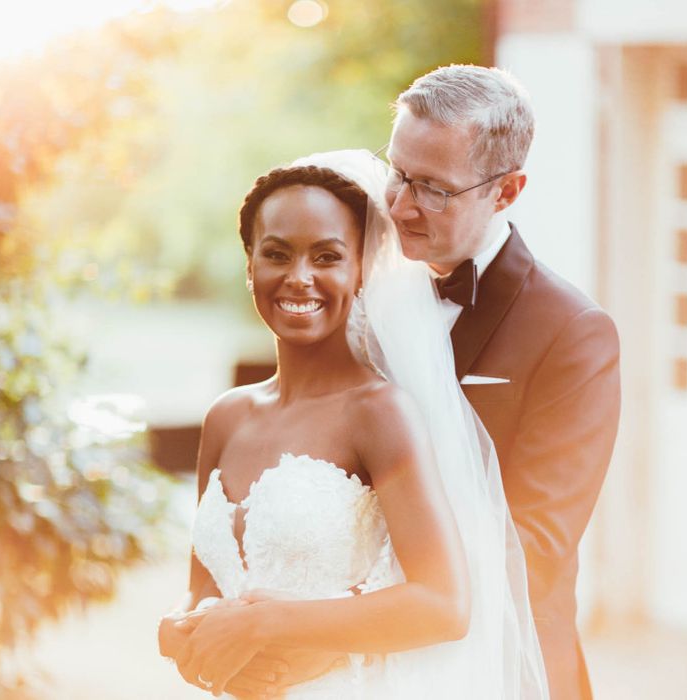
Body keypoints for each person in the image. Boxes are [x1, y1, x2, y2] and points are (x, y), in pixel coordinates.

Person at [158, 150, 548, 699]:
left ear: (361, 270)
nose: (299, 278)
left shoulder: (379, 414)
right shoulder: (227, 416)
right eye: (277, 254)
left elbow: (444, 604)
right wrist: (175, 633)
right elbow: (203, 588)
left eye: (326, 256)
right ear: (250, 266)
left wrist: (264, 625)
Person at [383, 65, 621, 700]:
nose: (400, 206)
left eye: (433, 189)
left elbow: (535, 543)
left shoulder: (574, 332)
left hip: (503, 668)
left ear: (507, 191)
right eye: (398, 173)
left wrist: (362, 604)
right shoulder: (364, 293)